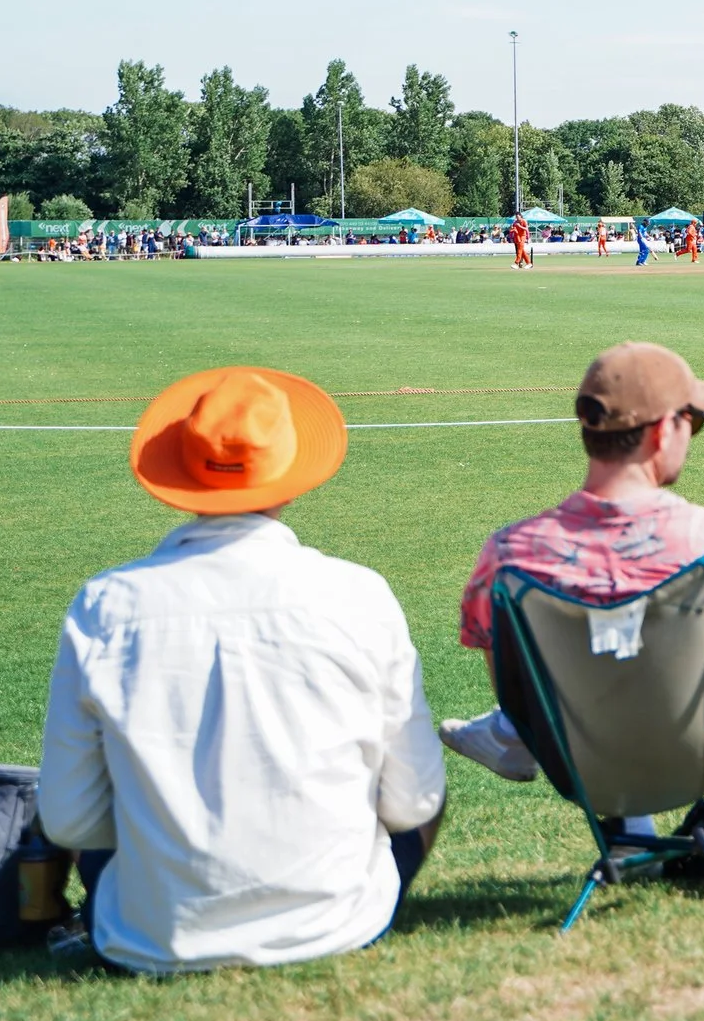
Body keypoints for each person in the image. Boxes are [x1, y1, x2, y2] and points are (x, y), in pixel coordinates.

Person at [38, 367, 446, 972]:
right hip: (334, 924)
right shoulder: (358, 593)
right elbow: (414, 801)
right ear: (289, 473)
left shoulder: (106, 603)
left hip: (154, 935)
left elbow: (69, 816)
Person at [441, 342, 704, 780]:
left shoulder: (508, 551)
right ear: (661, 432)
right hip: (703, 749)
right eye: (693, 422)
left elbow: (487, 645)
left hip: (569, 759)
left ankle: (511, 733)